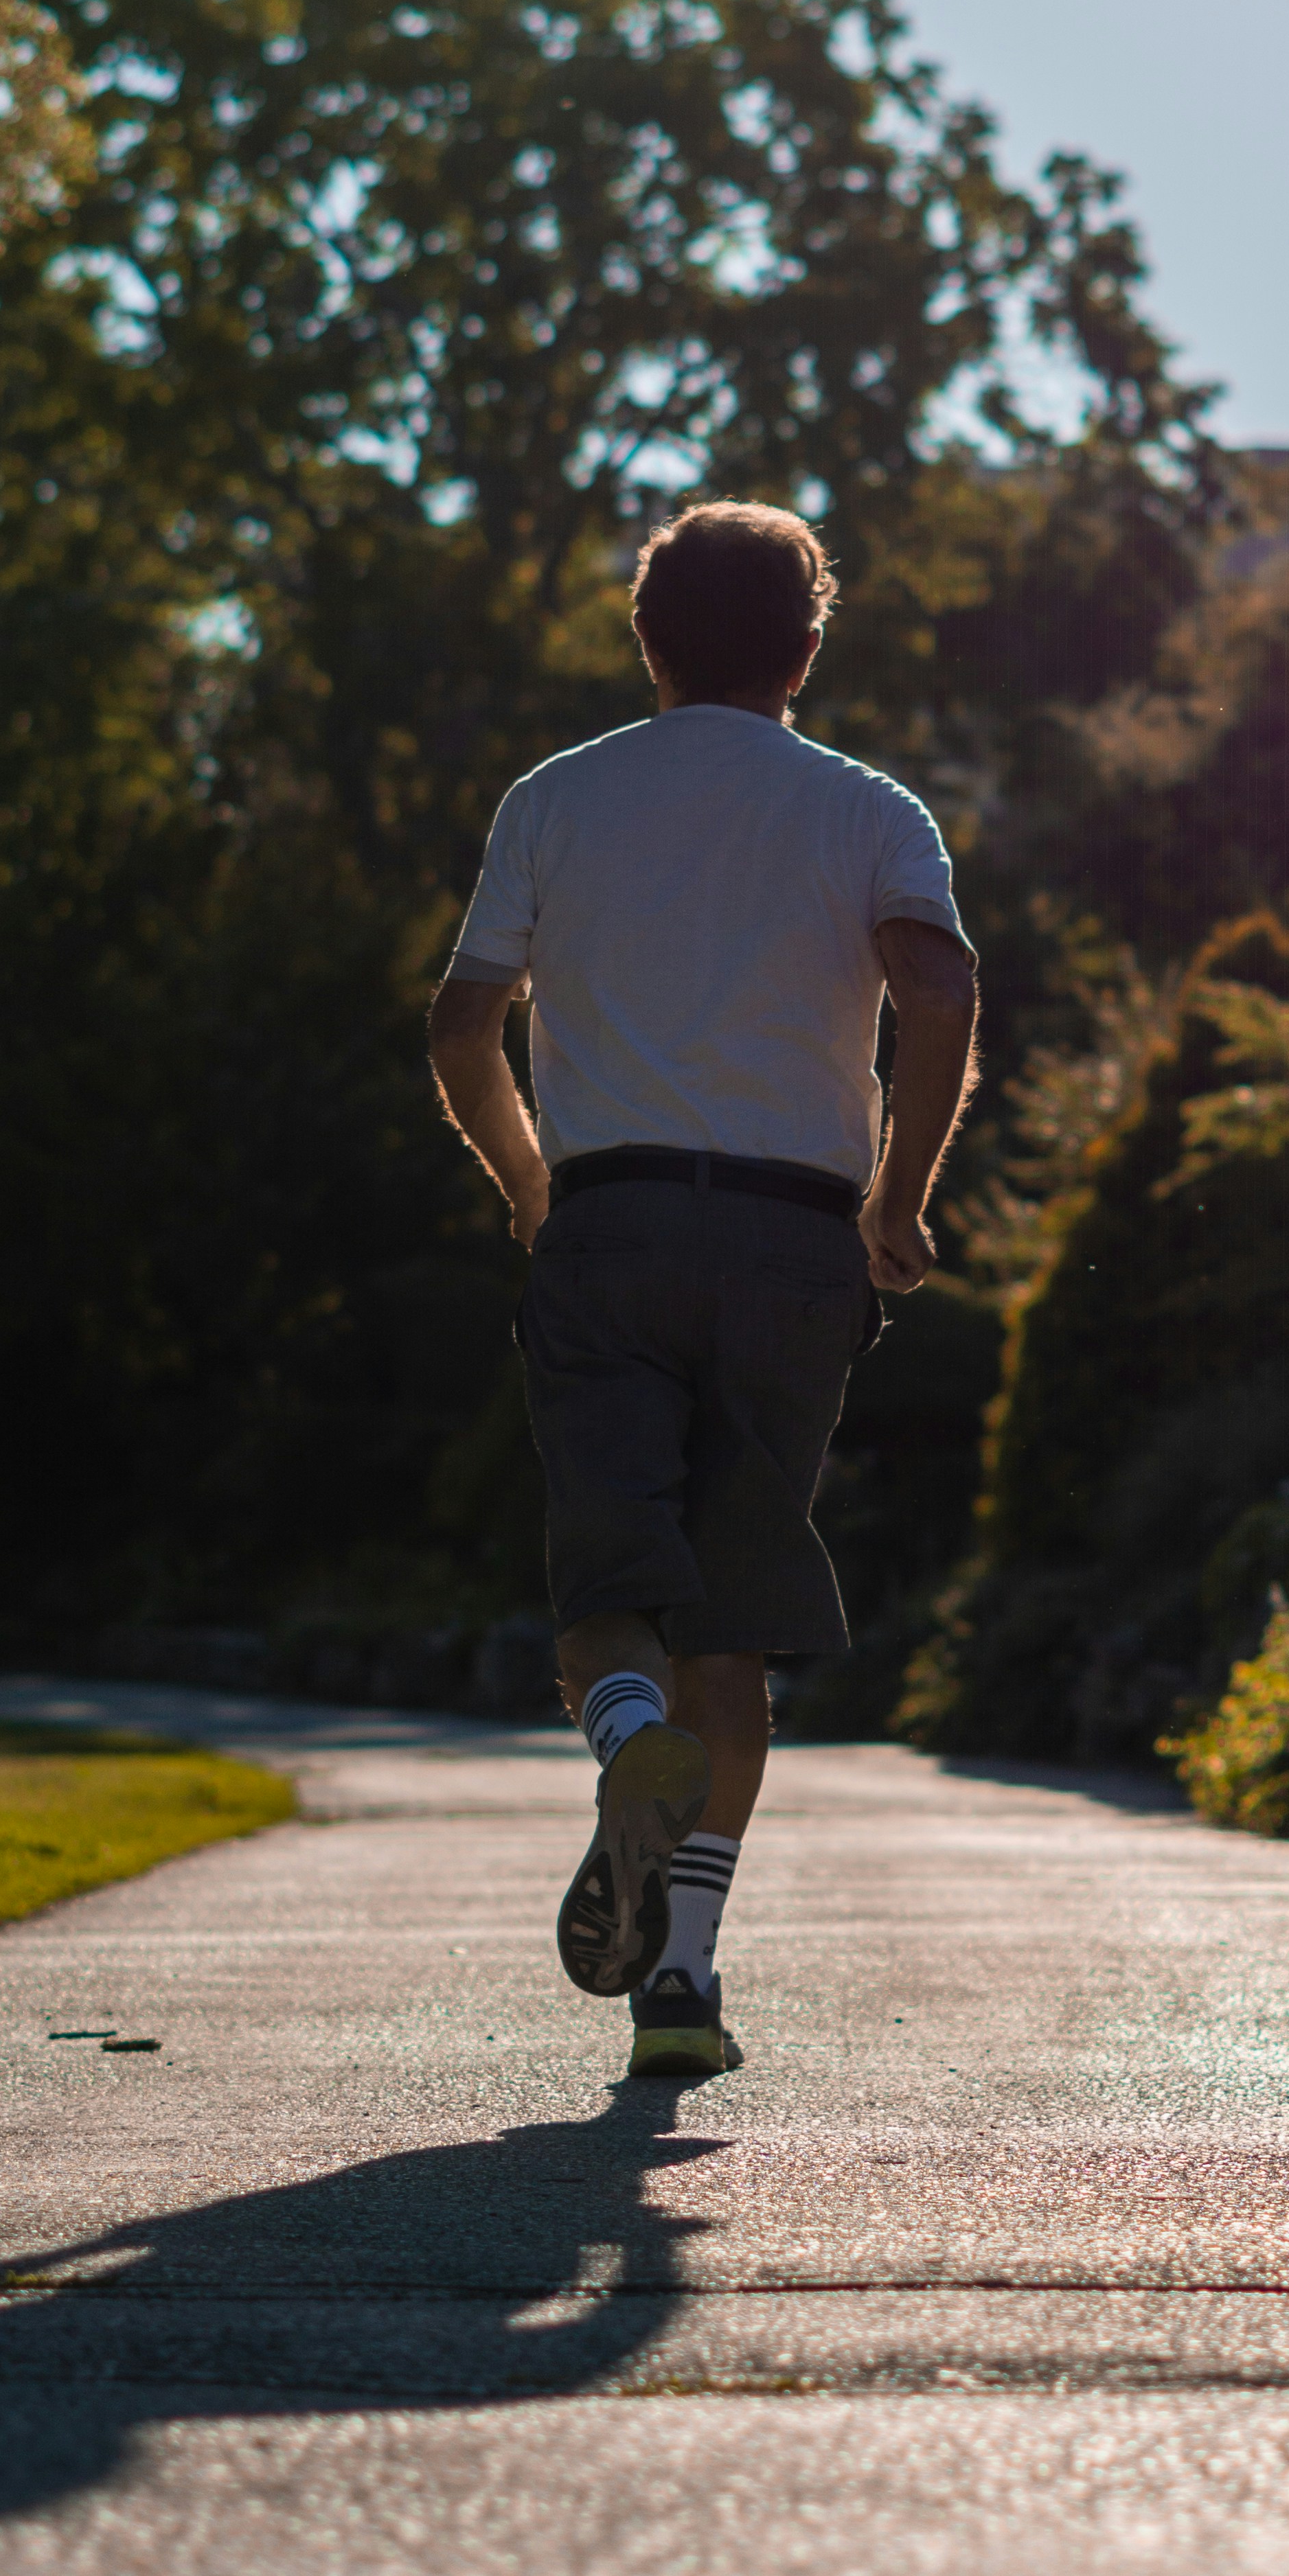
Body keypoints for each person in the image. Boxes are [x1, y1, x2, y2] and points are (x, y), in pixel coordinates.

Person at [427, 499, 979, 2078]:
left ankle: (626, 1750)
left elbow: (464, 1027)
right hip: (798, 1242)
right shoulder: (872, 810)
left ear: (645, 637)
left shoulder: (558, 799)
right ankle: (682, 1979)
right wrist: (902, 1195)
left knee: (609, 1584)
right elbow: (940, 985)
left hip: (609, 1220)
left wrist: (533, 1185)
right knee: (730, 1614)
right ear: (810, 645)